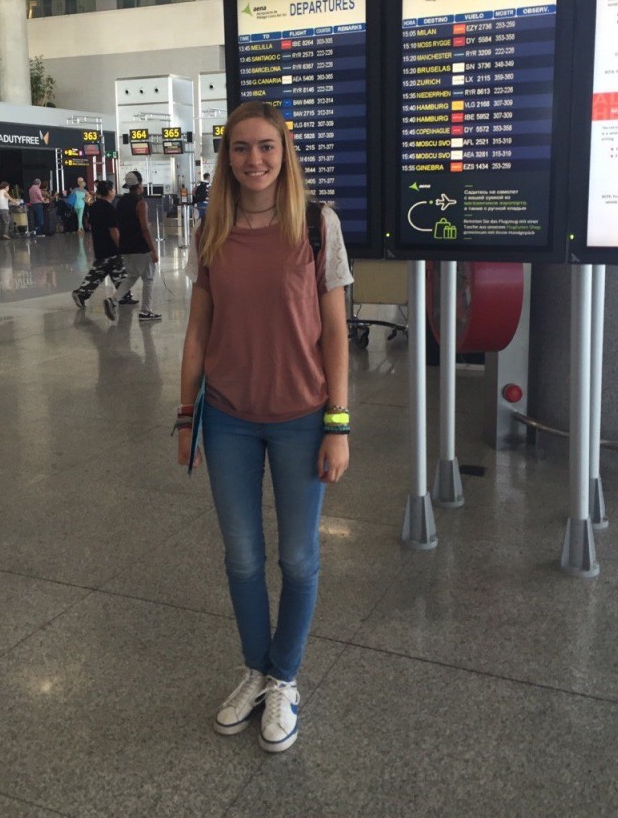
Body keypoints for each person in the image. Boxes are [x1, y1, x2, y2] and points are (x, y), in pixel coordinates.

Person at [177, 101, 352, 754]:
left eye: (267, 146)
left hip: (303, 418)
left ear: (285, 152)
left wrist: (338, 423)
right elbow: (198, 330)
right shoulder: (212, 229)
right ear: (226, 158)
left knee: (298, 557)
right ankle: (256, 669)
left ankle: (284, 677)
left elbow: (335, 331)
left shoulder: (316, 225)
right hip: (228, 418)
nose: (255, 160)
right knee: (243, 556)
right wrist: (185, 413)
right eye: (241, 148)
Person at [103, 170, 161, 323]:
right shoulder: (141, 203)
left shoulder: (121, 202)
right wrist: (153, 250)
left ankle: (113, 300)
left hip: (126, 246)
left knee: (131, 276)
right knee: (148, 278)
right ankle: (146, 311)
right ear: (140, 184)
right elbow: (144, 228)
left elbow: (121, 224)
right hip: (141, 247)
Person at [71, 180, 126, 309]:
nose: (114, 191)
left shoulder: (95, 206)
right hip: (110, 246)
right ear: (109, 192)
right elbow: (113, 229)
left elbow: (92, 225)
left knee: (103, 271)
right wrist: (120, 245)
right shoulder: (109, 208)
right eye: (113, 189)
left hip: (99, 243)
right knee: (114, 269)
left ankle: (124, 295)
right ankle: (82, 293)